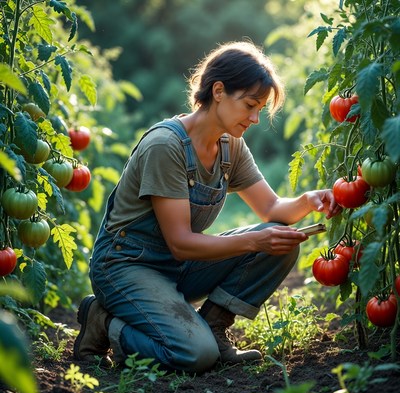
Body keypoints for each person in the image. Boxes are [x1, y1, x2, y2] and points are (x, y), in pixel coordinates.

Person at [73, 40, 341, 373]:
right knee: (195, 354)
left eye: (260, 108)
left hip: (173, 267)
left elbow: (271, 208)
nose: (255, 118)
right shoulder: (165, 146)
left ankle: (214, 328)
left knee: (279, 241)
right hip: (126, 266)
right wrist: (254, 241)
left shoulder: (230, 146)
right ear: (218, 91)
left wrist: (308, 201)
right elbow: (180, 242)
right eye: (250, 105)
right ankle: (104, 322)